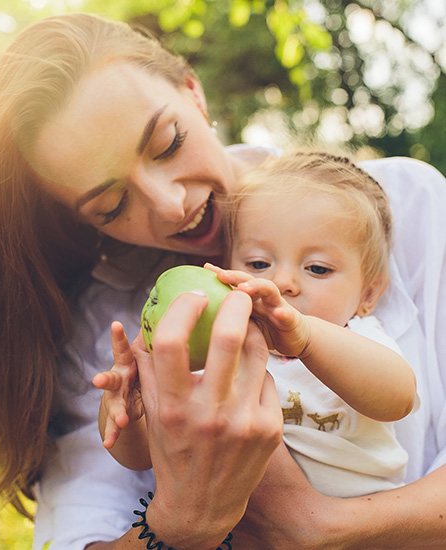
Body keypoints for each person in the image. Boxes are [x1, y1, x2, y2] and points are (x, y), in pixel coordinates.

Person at [0, 11, 446, 550]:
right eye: (112, 204)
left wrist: (322, 528)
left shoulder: (397, 207)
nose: (172, 207)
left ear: (194, 92)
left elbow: (396, 394)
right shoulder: (115, 328)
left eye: (168, 143)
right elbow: (84, 526)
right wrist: (171, 512)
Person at [95, 151, 418, 499]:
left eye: (318, 268)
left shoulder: (357, 339)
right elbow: (141, 457)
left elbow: (398, 399)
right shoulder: (215, 350)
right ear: (227, 267)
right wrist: (130, 409)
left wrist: (307, 339)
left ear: (369, 294)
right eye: (259, 262)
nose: (282, 281)